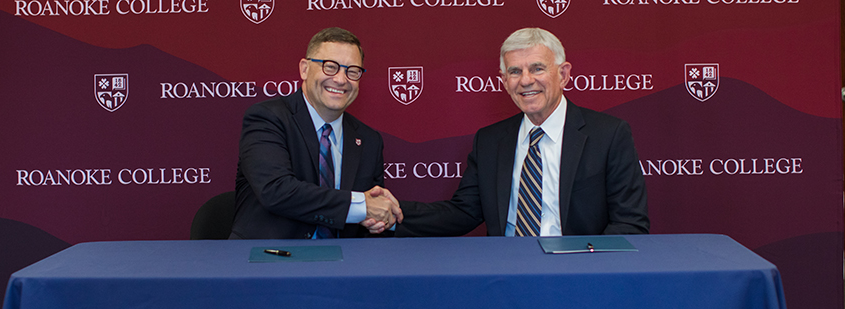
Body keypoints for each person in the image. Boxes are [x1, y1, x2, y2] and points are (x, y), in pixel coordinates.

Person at [395, 27, 649, 237]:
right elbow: (464, 212)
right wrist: (393, 212)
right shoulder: (490, 140)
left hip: (578, 271)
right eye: (515, 71)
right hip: (507, 273)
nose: (526, 80)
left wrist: (586, 270)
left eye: (537, 68)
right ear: (504, 81)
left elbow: (629, 222)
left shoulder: (609, 134)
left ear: (563, 74)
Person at [230, 27, 402, 240]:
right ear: (304, 69)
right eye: (330, 67)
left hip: (344, 265)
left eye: (353, 71)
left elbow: (371, 213)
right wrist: (360, 206)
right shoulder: (267, 118)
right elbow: (276, 191)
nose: (340, 80)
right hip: (270, 262)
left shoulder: (369, 140)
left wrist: (379, 218)